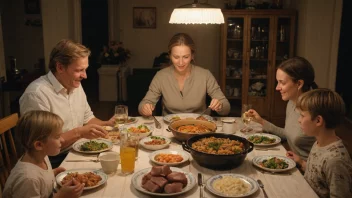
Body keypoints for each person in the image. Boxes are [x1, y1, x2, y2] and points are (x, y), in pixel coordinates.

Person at [19, 39, 113, 167]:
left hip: (77, 150)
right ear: (60, 67)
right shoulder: (36, 94)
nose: (84, 76)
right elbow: (41, 145)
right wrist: (79, 133)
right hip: (50, 162)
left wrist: (107, 125)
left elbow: (88, 118)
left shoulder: (74, 84)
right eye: (79, 70)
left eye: (85, 70)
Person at [138, 33, 230, 116]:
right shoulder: (161, 76)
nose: (181, 62)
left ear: (192, 56)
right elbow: (144, 103)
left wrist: (220, 105)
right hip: (169, 127)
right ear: (170, 56)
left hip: (200, 126)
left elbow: (226, 107)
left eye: (185, 57)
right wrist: (145, 108)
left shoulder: (205, 75)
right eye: (176, 57)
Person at [286, 89, 352, 198]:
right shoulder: (319, 142)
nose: (299, 120)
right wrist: (301, 162)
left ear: (318, 121)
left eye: (302, 116)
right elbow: (319, 175)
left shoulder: (335, 161)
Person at [248, 57, 317, 160]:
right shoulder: (291, 103)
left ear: (299, 84)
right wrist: (261, 121)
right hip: (294, 163)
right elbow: (287, 134)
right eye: (277, 82)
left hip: (306, 171)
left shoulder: (313, 110)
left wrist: (302, 164)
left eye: (282, 83)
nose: (277, 87)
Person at [3, 111, 85, 198]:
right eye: (57, 137)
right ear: (39, 145)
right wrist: (61, 196)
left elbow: (39, 177)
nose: (62, 140)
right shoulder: (28, 179)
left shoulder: (42, 156)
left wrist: (52, 173)